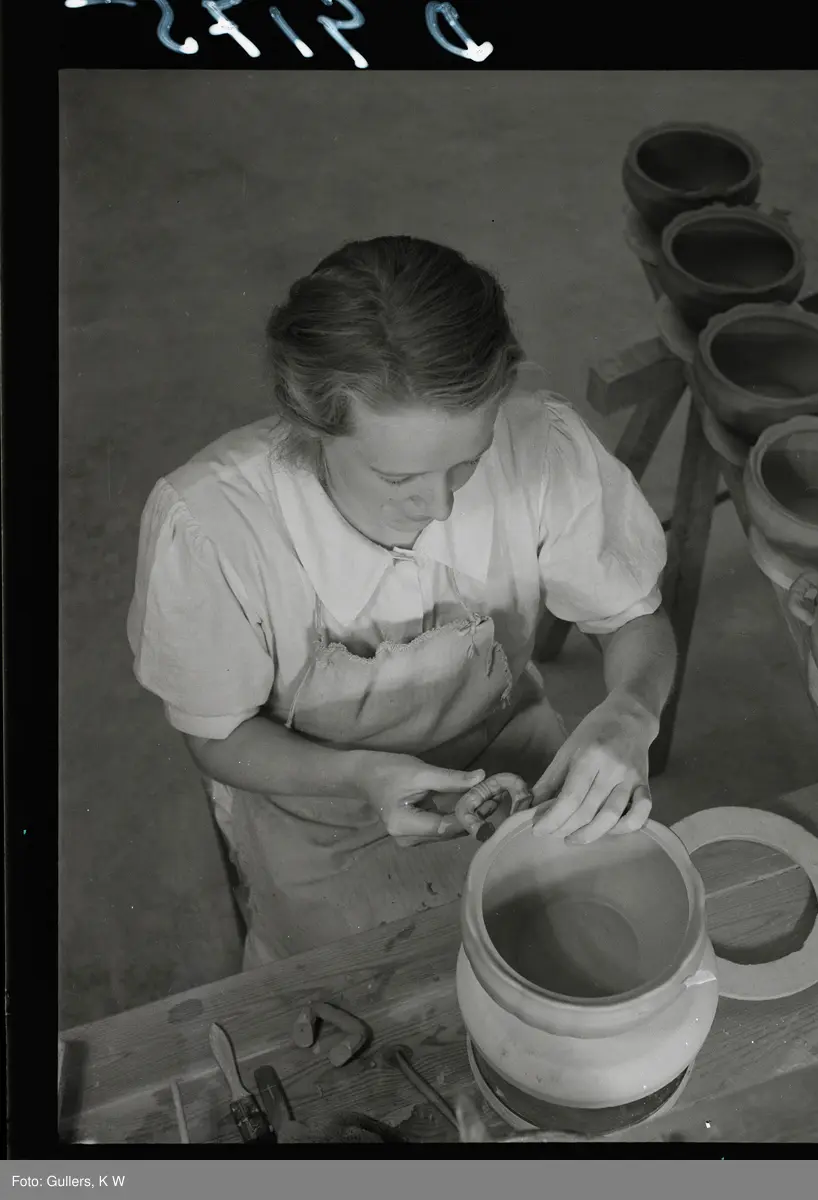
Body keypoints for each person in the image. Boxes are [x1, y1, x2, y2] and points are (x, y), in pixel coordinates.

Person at [127, 235, 677, 969]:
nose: (440, 506)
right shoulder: (214, 529)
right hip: (317, 807)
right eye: (397, 479)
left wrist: (632, 710)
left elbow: (634, 617)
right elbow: (217, 736)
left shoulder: (539, 447)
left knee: (569, 953)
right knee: (355, 991)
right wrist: (363, 776)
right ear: (310, 424)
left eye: (467, 462)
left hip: (514, 762)